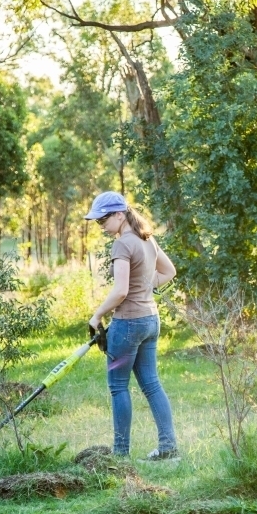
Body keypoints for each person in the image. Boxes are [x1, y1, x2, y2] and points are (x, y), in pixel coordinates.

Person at [85, 191, 179, 460]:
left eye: (103, 220)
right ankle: (169, 449)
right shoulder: (146, 239)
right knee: (151, 384)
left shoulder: (123, 243)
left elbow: (120, 291)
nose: (101, 226)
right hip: (150, 320)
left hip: (128, 324)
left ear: (118, 214)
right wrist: (144, 288)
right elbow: (169, 272)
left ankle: (120, 455)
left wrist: (96, 316)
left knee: (118, 386)